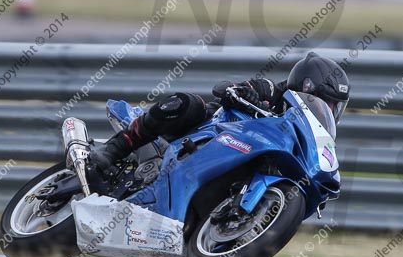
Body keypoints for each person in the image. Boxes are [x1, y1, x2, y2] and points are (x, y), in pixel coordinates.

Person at [89, 52, 350, 171]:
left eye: (333, 107)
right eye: (326, 102)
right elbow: (245, 87)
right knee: (187, 103)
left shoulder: (304, 137)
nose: (327, 110)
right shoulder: (274, 92)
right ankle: (114, 148)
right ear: (307, 88)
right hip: (205, 133)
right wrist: (241, 92)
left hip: (238, 163)